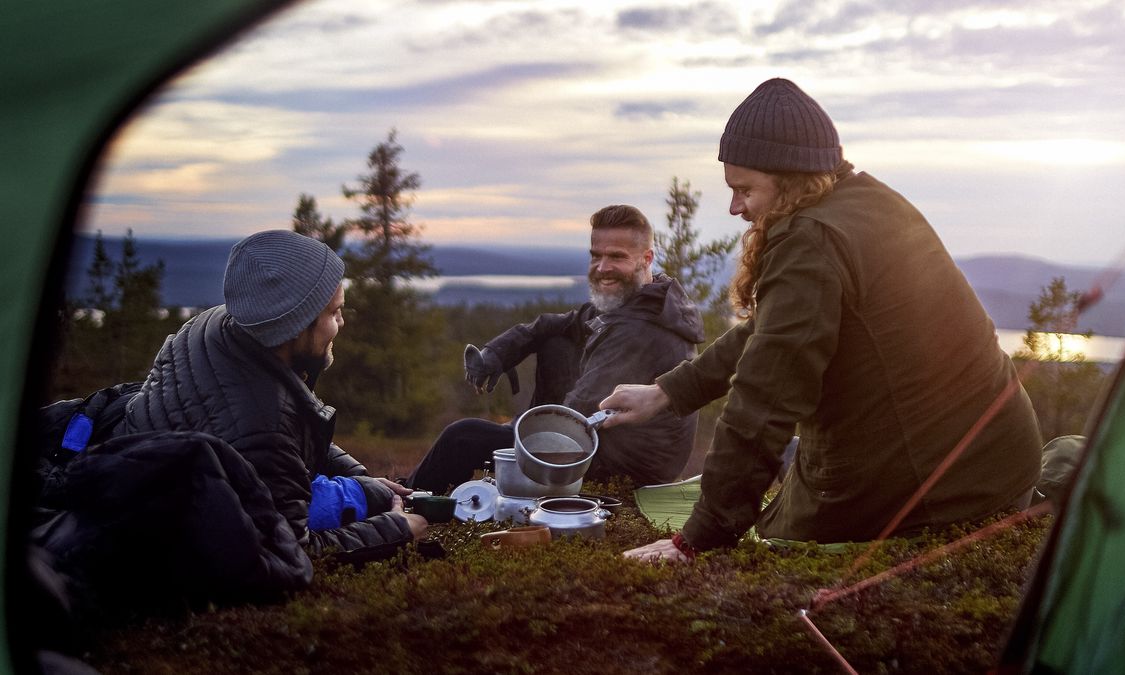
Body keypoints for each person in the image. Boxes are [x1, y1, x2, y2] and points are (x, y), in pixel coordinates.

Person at [602, 78, 1043, 563]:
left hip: (938, 491)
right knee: (798, 468)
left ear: (790, 179)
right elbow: (772, 329)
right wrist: (667, 393)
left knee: (794, 515)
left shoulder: (810, 241)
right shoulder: (869, 200)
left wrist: (699, 538)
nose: (735, 207)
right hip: (998, 459)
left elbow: (765, 398)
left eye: (745, 190)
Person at [116, 230, 428, 558]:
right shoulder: (263, 423)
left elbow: (293, 437)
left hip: (136, 476)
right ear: (296, 324)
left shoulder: (221, 322)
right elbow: (291, 553)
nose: (342, 322)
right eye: (334, 312)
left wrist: (360, 477)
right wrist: (396, 529)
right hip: (154, 538)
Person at [407, 205, 705, 491]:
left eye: (617, 256)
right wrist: (498, 353)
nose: (602, 268)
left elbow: (576, 417)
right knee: (556, 343)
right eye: (596, 256)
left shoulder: (639, 330)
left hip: (627, 469)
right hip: (611, 440)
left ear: (646, 258)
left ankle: (407, 500)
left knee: (462, 438)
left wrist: (514, 434)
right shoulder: (641, 298)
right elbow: (556, 324)